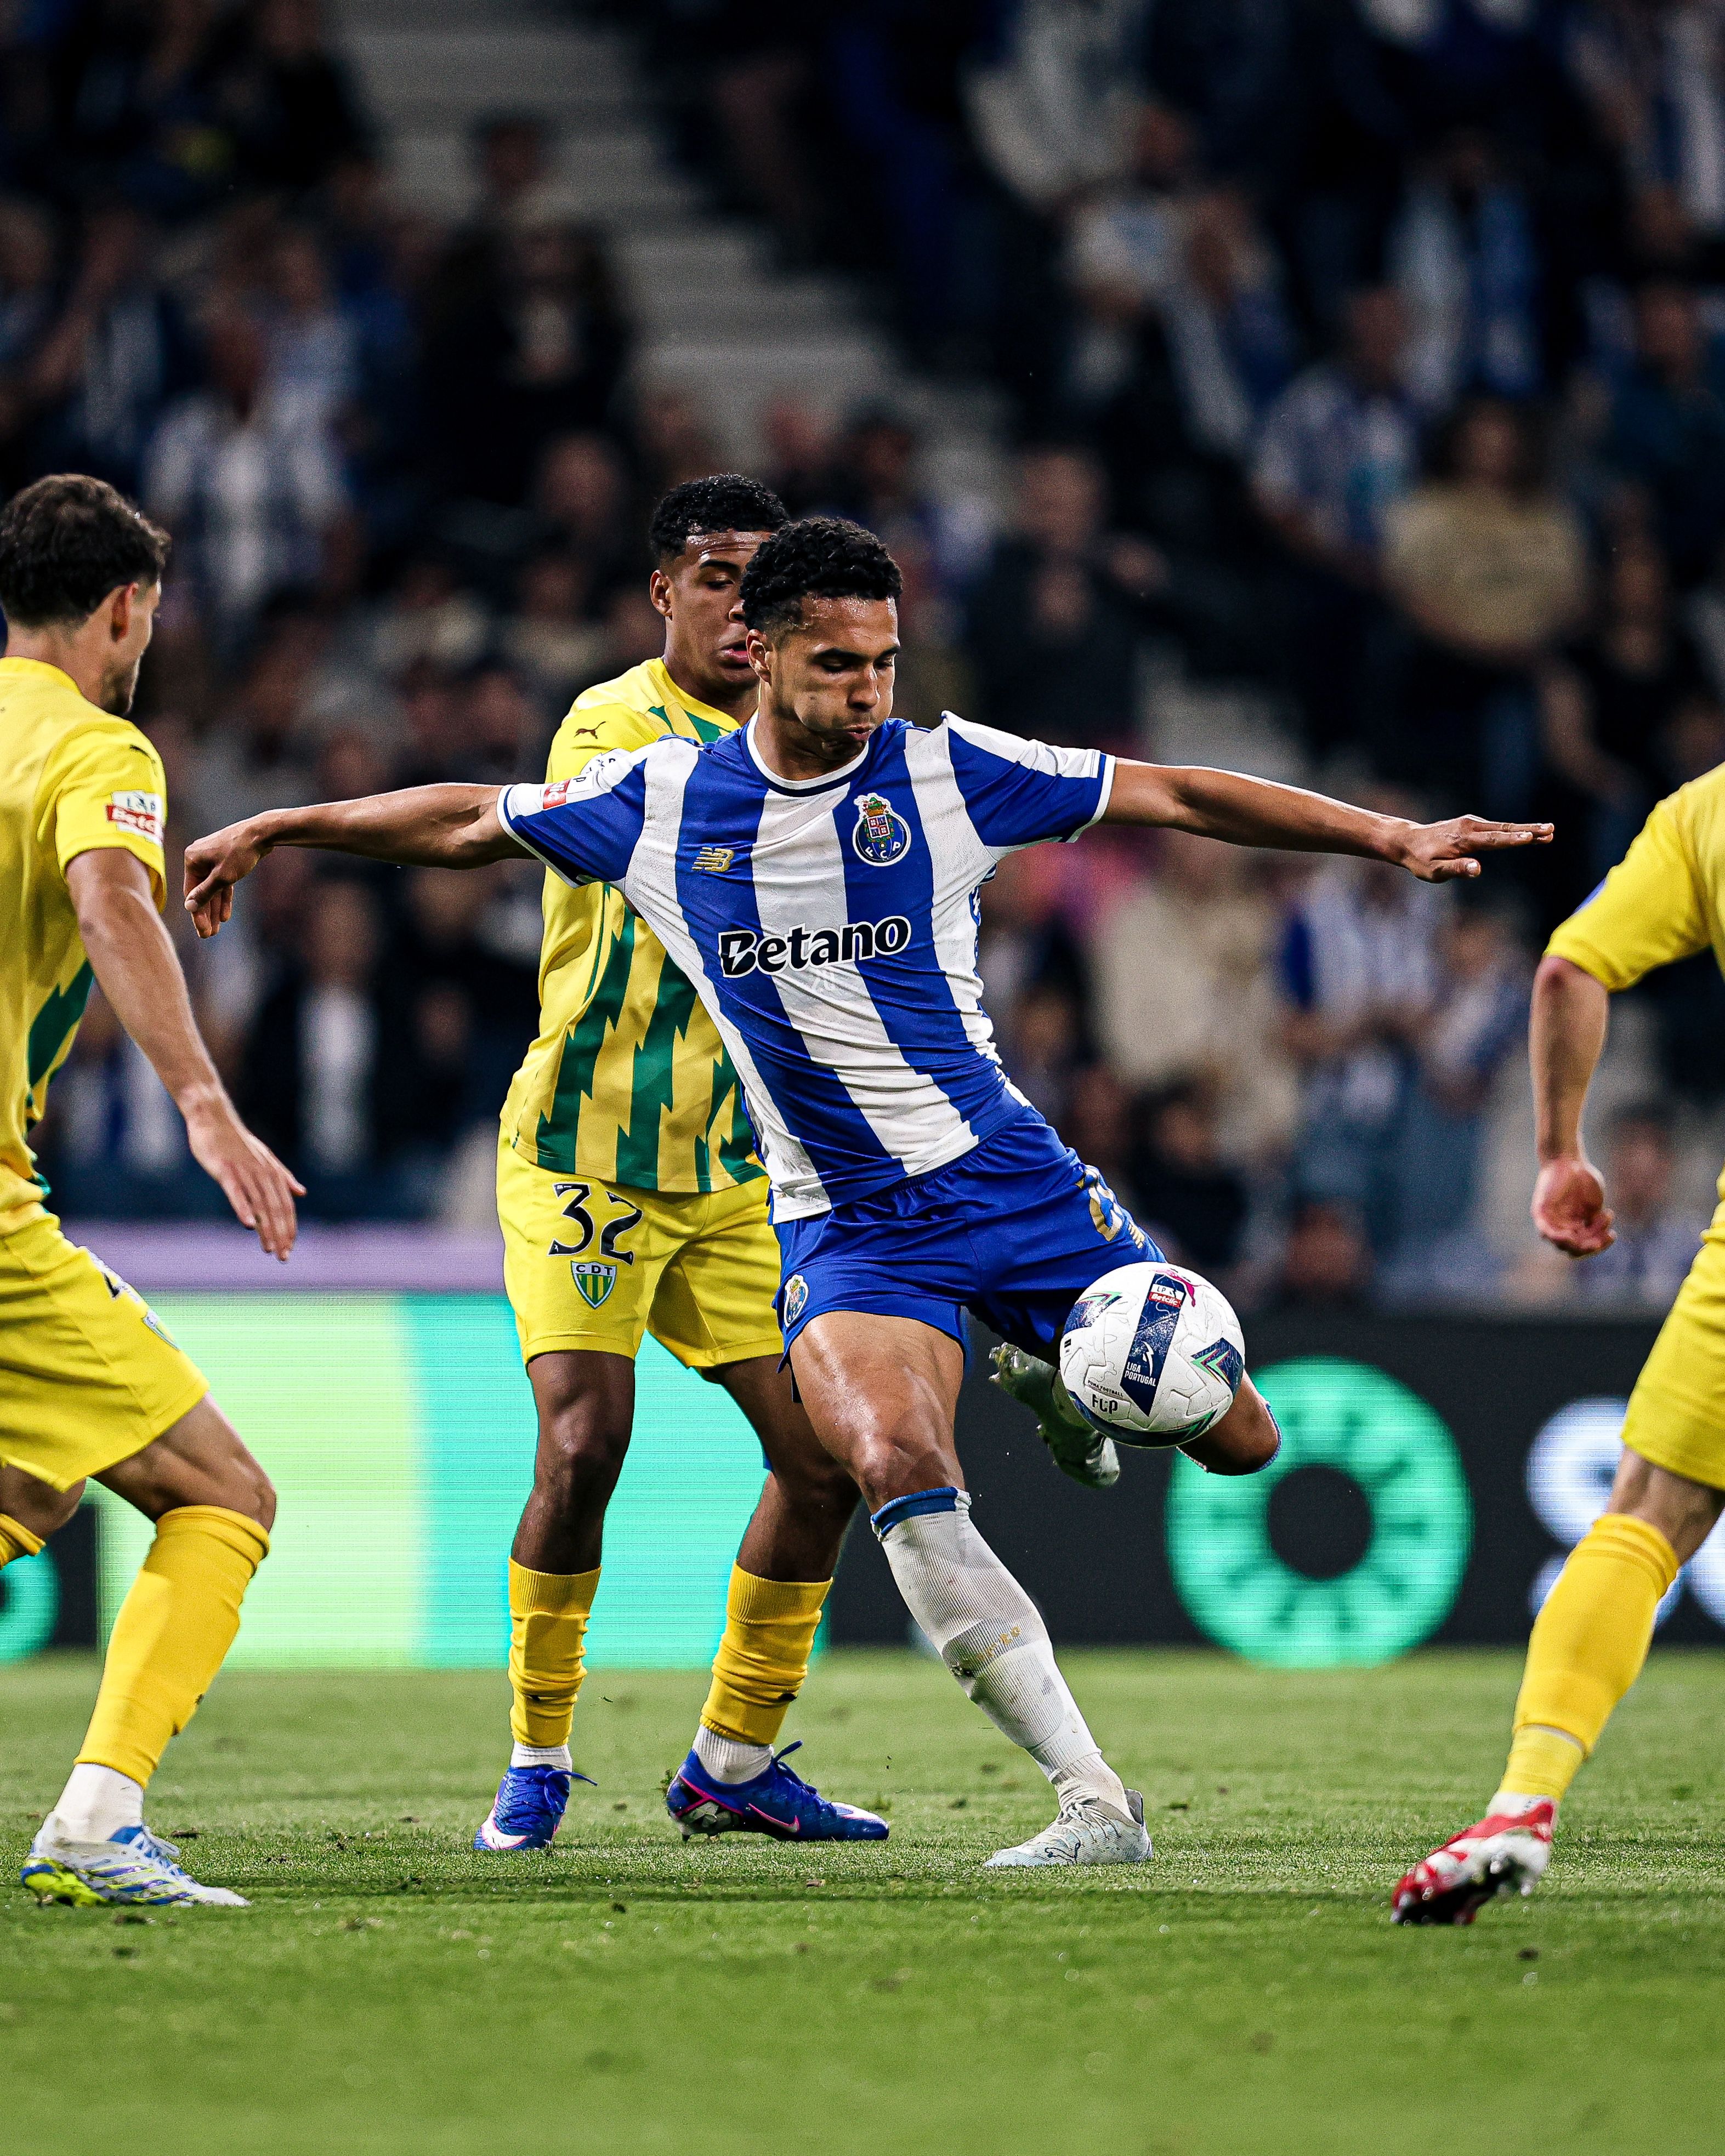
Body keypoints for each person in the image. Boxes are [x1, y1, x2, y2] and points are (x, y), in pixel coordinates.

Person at [185, 516, 1550, 1869]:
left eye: (885, 661)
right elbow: (465, 820)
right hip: (846, 1231)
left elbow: (1178, 795)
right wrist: (283, 825)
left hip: (1008, 1179)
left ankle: (1055, 1375)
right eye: (838, 663)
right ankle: (1092, 1800)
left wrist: (1387, 836)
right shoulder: (664, 802)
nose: (868, 691)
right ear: (765, 651)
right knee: (891, 1463)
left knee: (1241, 1439)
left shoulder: (950, 772)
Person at [0, 473, 302, 1908]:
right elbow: (114, 896)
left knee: (35, 1479)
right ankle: (98, 1817)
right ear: (126, 607)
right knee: (223, 1491)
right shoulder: (95, 744)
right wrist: (203, 1100)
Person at [1392, 767, 1725, 1922]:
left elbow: (1567, 969)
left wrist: (1555, 1150)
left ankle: (1521, 1802)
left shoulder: (1706, 814)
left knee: (1646, 1514)